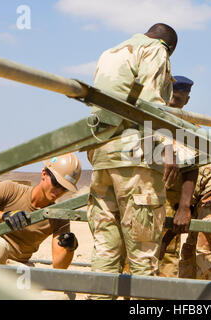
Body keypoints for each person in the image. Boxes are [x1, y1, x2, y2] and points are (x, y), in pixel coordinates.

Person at [86, 23, 184, 299]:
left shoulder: (109, 53)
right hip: (135, 159)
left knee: (105, 251)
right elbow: (153, 105)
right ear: (170, 48)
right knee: (143, 254)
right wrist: (166, 147)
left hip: (103, 156)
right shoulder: (155, 50)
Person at [0, 153, 82, 268]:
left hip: (17, 266)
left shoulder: (58, 215)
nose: (58, 191)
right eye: (56, 183)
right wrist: (4, 216)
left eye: (64, 188)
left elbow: (59, 267)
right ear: (44, 174)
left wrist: (70, 248)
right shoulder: (10, 190)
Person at [158, 75, 198, 278]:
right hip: (144, 201)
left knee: (167, 261)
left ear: (186, 101)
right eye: (170, 98)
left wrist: (184, 208)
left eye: (179, 100)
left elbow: (192, 167)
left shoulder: (189, 129)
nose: (173, 104)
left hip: (171, 206)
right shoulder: (151, 121)